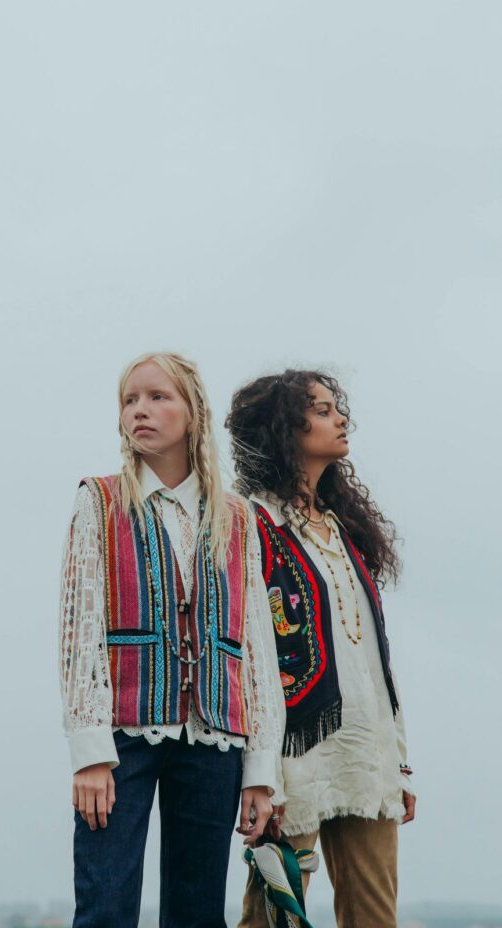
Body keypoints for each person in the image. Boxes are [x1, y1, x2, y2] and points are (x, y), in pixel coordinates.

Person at [59, 351, 286, 928]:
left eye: (158, 397)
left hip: (215, 734)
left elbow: (255, 645)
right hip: (122, 737)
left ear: (193, 413)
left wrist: (261, 769)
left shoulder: (236, 518)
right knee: (106, 904)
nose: (139, 410)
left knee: (198, 912)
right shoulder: (99, 500)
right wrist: (90, 752)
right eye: (129, 400)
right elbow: (80, 629)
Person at [225, 370, 416, 928]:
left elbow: (374, 660)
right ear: (284, 427)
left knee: (375, 917)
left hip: (365, 754)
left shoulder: (343, 529)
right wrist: (260, 772)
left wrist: (399, 763)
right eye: (323, 409)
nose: (340, 418)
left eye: (338, 407)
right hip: (294, 756)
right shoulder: (250, 522)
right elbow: (247, 654)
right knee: (272, 918)